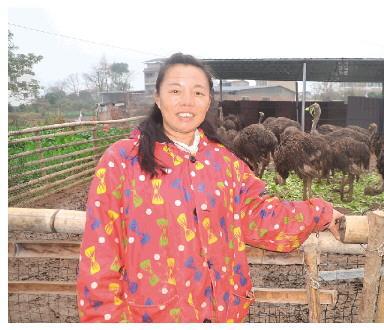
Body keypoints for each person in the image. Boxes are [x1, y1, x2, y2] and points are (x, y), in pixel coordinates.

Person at [76, 53, 344, 323]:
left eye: (198, 92)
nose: (187, 101)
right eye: (175, 91)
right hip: (154, 315)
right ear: (158, 98)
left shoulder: (223, 162)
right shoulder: (122, 161)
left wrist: (319, 213)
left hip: (222, 313)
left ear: (208, 101)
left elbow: (258, 215)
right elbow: (100, 254)